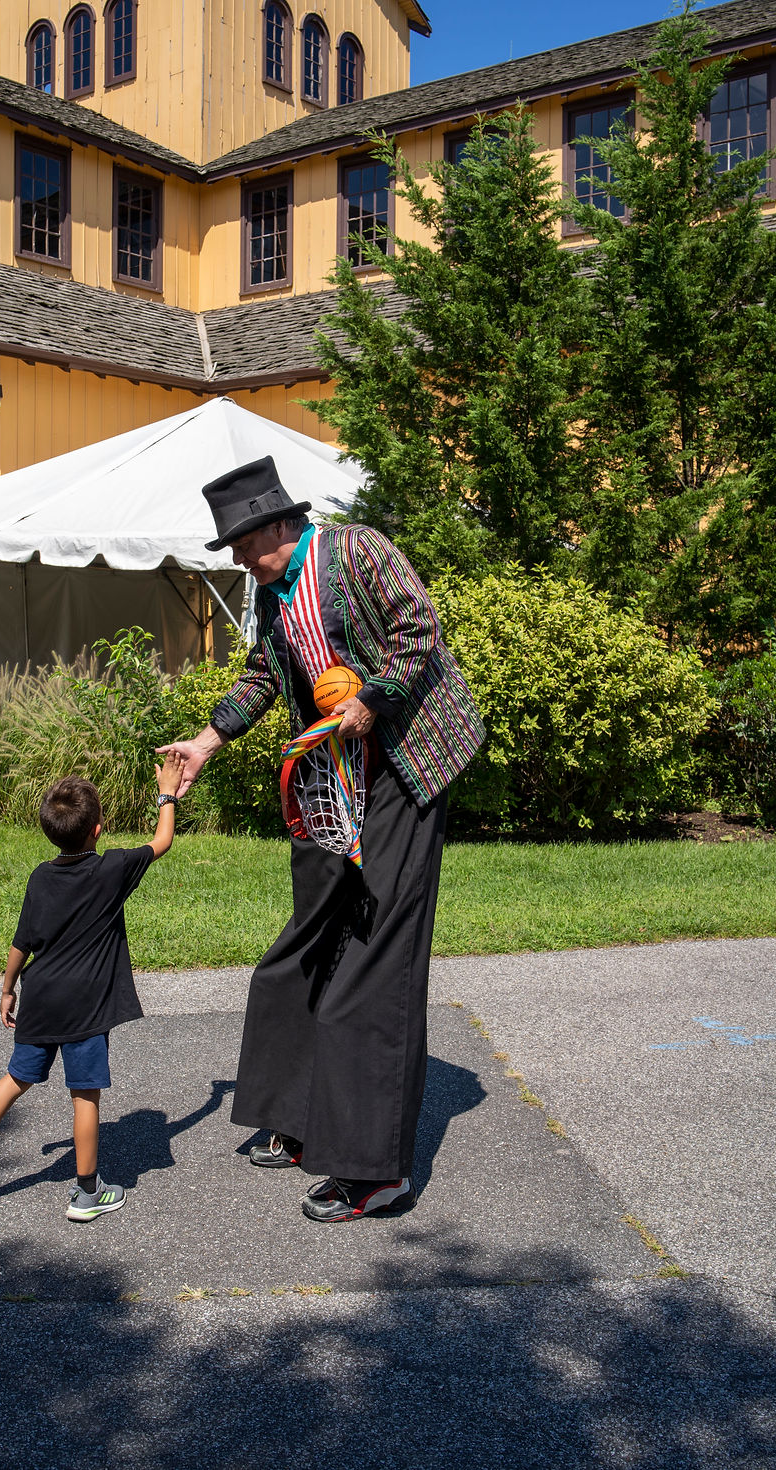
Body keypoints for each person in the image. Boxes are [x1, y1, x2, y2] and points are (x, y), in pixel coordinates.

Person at [157, 456, 485, 1224]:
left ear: (278, 523)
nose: (237, 556)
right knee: (305, 943)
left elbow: (419, 629)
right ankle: (305, 1118)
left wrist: (373, 700)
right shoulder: (272, 596)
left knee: (376, 960)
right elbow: (261, 677)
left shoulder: (356, 549)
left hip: (407, 763)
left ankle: (375, 1170)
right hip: (332, 776)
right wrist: (205, 742)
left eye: (243, 540)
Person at [0, 754, 185, 1222]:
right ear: (97, 829)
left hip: (41, 997)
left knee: (17, 1077)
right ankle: (88, 1193)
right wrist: (167, 791)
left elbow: (21, 942)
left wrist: (7, 989)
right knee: (85, 1093)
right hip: (85, 1006)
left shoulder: (41, 876)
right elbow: (162, 840)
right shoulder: (111, 869)